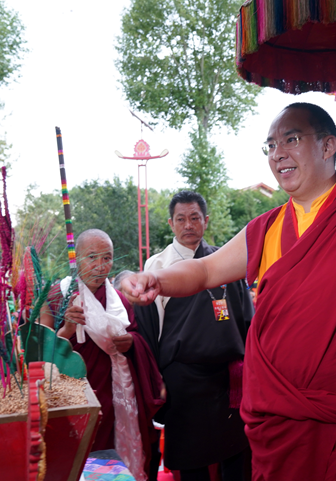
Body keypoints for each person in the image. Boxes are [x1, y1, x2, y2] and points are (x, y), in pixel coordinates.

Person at [124, 102, 336, 481]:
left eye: (291, 139)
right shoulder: (269, 226)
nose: (277, 154)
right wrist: (158, 280)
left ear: (327, 146)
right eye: (271, 145)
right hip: (282, 416)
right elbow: (206, 269)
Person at [135, 191, 253, 481]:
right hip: (182, 378)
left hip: (226, 376)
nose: (188, 225)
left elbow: (245, 316)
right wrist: (157, 379)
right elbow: (150, 329)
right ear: (171, 223)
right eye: (181, 219)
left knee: (235, 450)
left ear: (205, 220)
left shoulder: (223, 260)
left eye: (194, 218)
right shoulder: (158, 266)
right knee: (192, 457)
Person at [40, 229, 164, 480]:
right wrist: (66, 331)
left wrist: (131, 342)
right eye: (92, 257)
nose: (100, 266)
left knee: (112, 465)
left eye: (107, 258)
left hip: (115, 399)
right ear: (76, 258)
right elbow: (40, 352)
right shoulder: (55, 296)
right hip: (73, 400)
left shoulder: (120, 300)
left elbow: (136, 336)